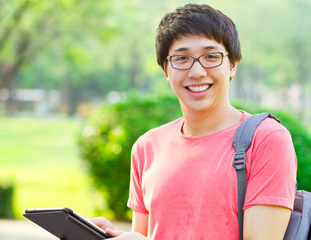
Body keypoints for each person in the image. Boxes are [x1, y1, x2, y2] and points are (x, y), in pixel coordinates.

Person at [90, 3, 297, 240]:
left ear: (233, 65)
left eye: (211, 56)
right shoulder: (147, 147)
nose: (197, 72)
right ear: (166, 70)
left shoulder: (266, 139)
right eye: (182, 58)